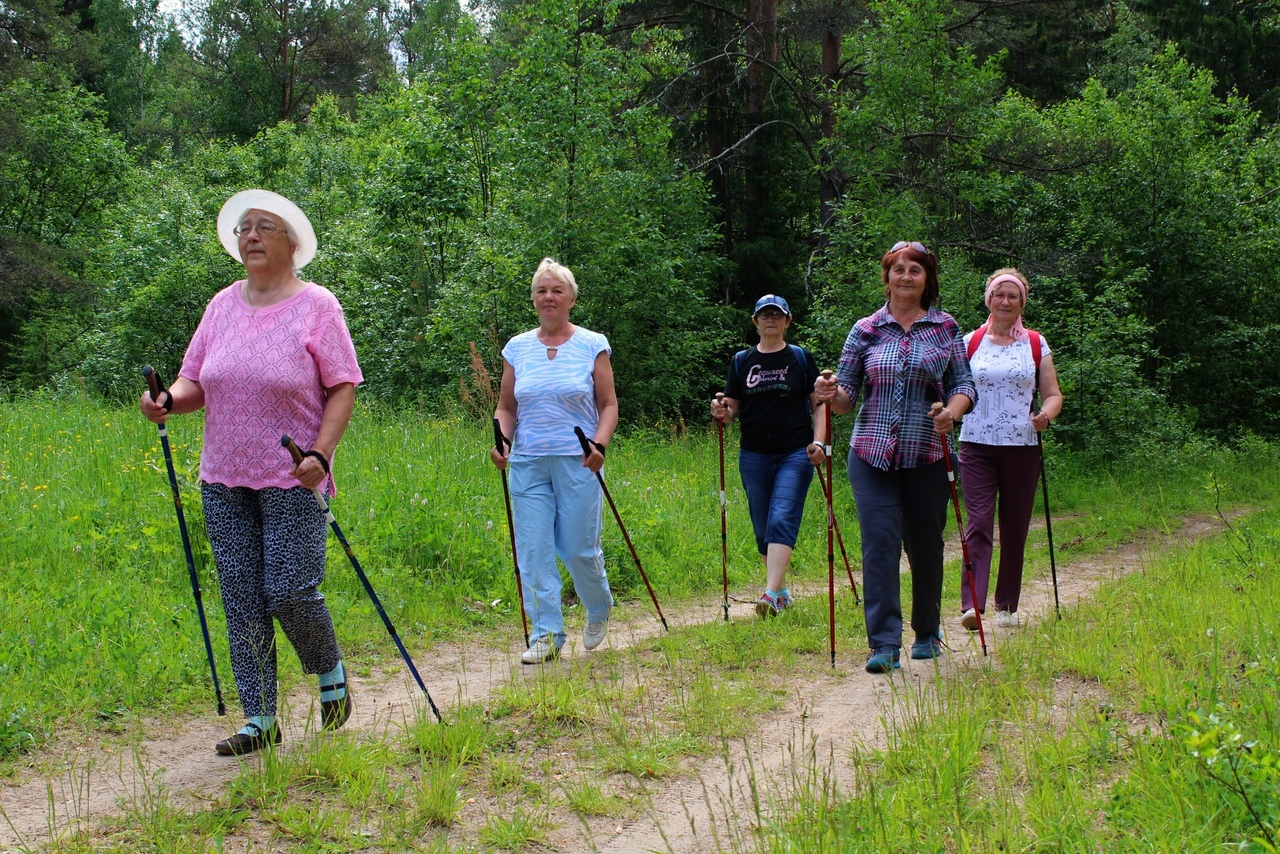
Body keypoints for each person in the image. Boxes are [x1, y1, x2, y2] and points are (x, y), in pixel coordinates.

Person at [140, 189, 361, 755]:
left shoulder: (318, 306)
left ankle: (328, 670)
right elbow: (196, 384)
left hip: (293, 474)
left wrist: (322, 453)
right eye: (244, 228)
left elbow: (342, 386)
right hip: (224, 475)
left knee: (288, 589)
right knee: (240, 596)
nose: (252, 236)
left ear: (292, 243)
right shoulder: (221, 306)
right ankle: (259, 718)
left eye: (265, 227)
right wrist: (167, 398)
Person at [815, 241, 976, 674]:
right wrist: (831, 394)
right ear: (886, 277)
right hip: (871, 455)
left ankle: (926, 632)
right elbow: (846, 396)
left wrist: (951, 413)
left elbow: (965, 386)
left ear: (927, 280)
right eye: (898, 269)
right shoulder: (866, 328)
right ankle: (884, 643)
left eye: (915, 270)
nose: (906, 276)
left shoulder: (945, 327)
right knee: (880, 544)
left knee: (924, 545)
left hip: (927, 453)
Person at [490, 258, 618, 665]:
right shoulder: (517, 347)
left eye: (557, 290)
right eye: (542, 290)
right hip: (528, 461)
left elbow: (609, 405)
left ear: (571, 298)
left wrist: (599, 445)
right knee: (535, 550)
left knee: (577, 548)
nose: (549, 297)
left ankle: (598, 607)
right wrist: (502, 440)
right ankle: (547, 633)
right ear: (533, 299)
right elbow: (506, 406)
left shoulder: (591, 344)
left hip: (578, 461)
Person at [958, 268, 1064, 630]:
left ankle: (1006, 606)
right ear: (988, 298)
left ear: (1022, 302)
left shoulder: (1035, 343)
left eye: (1013, 295)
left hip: (1022, 445)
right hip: (975, 445)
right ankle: (973, 604)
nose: (1005, 301)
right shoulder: (970, 341)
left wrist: (1045, 417)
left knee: (1015, 526)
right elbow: (954, 388)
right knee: (979, 522)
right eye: (999, 294)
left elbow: (1052, 394)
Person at [710, 295, 826, 617]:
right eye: (765, 315)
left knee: (782, 517)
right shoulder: (741, 361)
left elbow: (819, 406)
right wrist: (720, 410)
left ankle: (770, 593)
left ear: (788, 321)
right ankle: (783, 592)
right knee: (763, 528)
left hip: (796, 452)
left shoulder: (801, 359)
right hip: (754, 454)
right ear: (755, 322)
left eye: (777, 314)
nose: (771, 319)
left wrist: (819, 442)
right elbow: (731, 409)